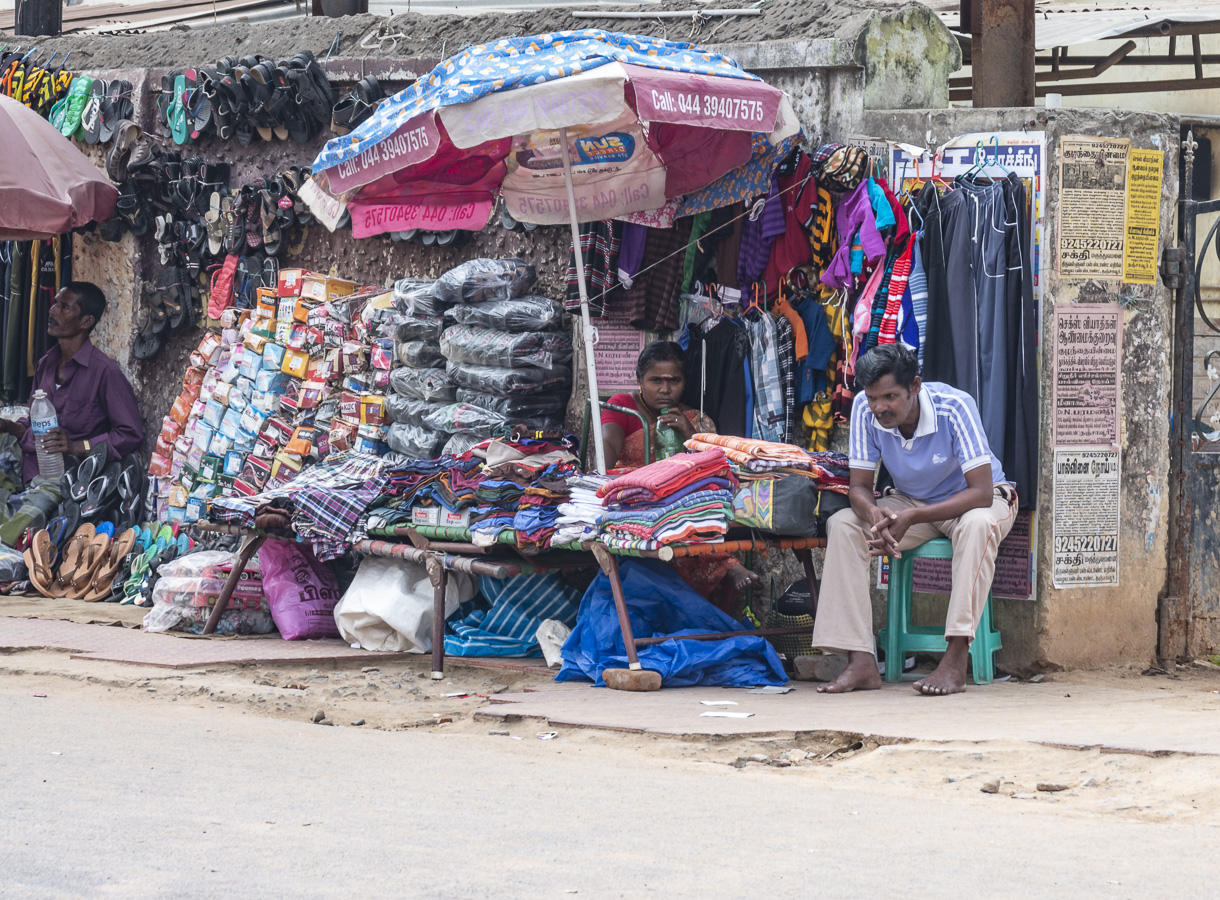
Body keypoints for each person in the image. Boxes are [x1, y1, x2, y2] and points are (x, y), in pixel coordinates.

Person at [812, 343, 1017, 696]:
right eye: (873, 397)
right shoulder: (864, 409)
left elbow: (981, 493)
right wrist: (873, 512)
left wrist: (913, 516)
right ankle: (860, 660)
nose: (879, 407)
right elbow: (860, 486)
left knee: (977, 525)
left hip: (972, 500)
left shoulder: (954, 407)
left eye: (890, 396)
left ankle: (955, 659)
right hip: (909, 503)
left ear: (915, 386)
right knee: (844, 524)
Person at [600, 341, 757, 605]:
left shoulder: (695, 417)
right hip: (637, 497)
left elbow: (721, 468)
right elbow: (606, 456)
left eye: (674, 380)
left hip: (683, 497)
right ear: (639, 380)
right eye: (655, 380)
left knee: (692, 514)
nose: (665, 389)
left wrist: (691, 434)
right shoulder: (623, 407)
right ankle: (725, 565)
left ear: (684, 382)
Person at [0, 282, 142, 546]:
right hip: (28, 467)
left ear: (86, 321)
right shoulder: (45, 364)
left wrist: (79, 446)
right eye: (55, 303)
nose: (52, 310)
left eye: (64, 307)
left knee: (25, 523)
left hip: (64, 480)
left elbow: (130, 434)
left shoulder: (104, 372)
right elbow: (33, 425)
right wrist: (10, 427)